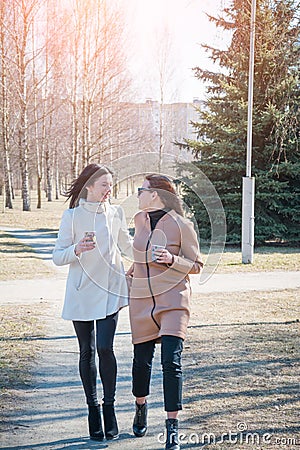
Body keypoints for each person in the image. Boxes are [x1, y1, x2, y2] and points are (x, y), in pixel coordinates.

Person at [53, 164, 132, 441]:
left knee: (105, 347)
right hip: (82, 291)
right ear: (89, 186)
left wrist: (152, 246)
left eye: (111, 185)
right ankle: (92, 408)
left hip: (110, 289)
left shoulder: (116, 213)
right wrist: (76, 249)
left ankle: (109, 408)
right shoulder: (72, 217)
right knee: (86, 350)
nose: (109, 190)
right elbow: (58, 256)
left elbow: (127, 246)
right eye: (104, 185)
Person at [126, 174, 203, 450]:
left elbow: (196, 265)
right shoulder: (140, 220)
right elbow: (138, 254)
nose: (138, 195)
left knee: (171, 362)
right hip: (143, 301)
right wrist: (131, 275)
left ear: (156, 194)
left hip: (173, 300)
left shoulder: (183, 225)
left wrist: (172, 260)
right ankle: (140, 405)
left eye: (141, 190)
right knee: (141, 361)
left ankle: (172, 429)